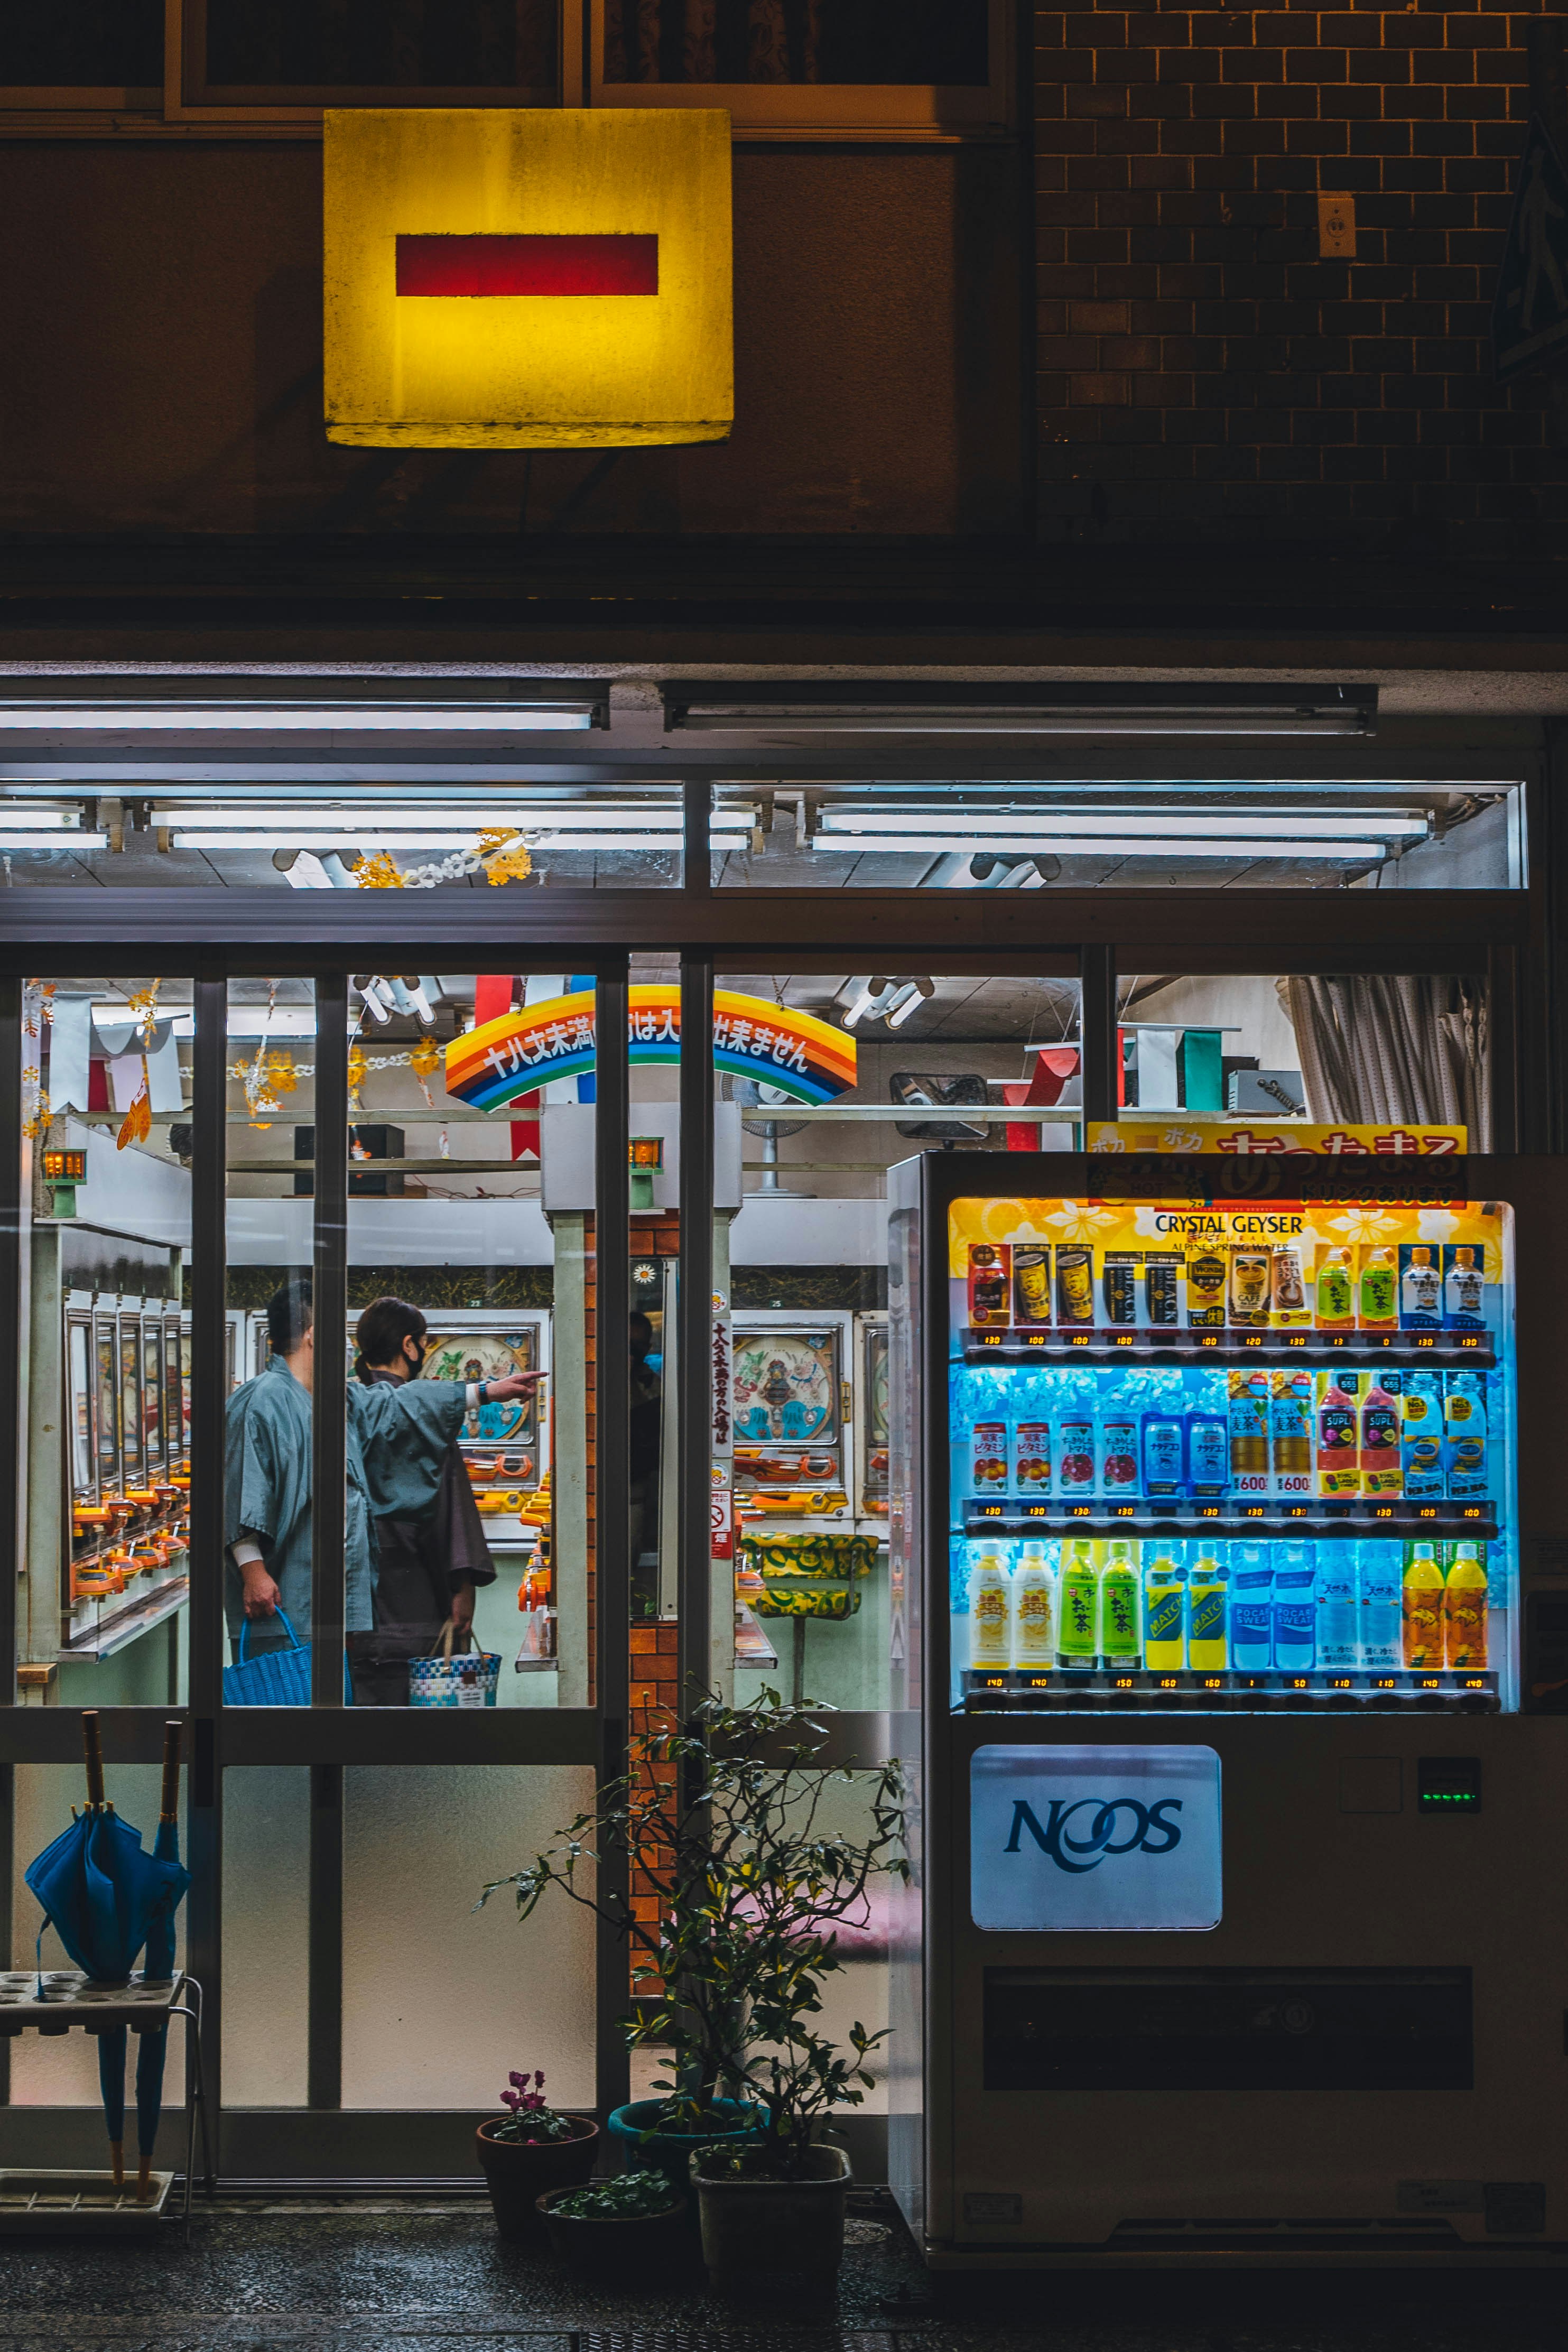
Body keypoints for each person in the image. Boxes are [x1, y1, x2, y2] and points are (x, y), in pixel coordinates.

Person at [224, 1277, 539, 1689]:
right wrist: (253, 1571)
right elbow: (241, 1488)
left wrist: (483, 1392)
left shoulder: (337, 1400)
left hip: (328, 1599)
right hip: (283, 1592)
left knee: (325, 1706)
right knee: (286, 1705)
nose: (351, 1346)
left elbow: (397, 1405)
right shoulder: (260, 1400)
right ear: (316, 1336)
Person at [350, 1295, 501, 1706]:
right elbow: (450, 1510)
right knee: (418, 1733)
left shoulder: (347, 1412)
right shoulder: (425, 1419)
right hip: (415, 1589)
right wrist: (463, 1586)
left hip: (352, 1604)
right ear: (408, 1346)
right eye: (423, 1342)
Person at [628, 1310, 662, 1622]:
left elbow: (656, 1426)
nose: (632, 1351)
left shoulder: (652, 1383)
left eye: (638, 1345)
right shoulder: (594, 1379)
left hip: (638, 1485)